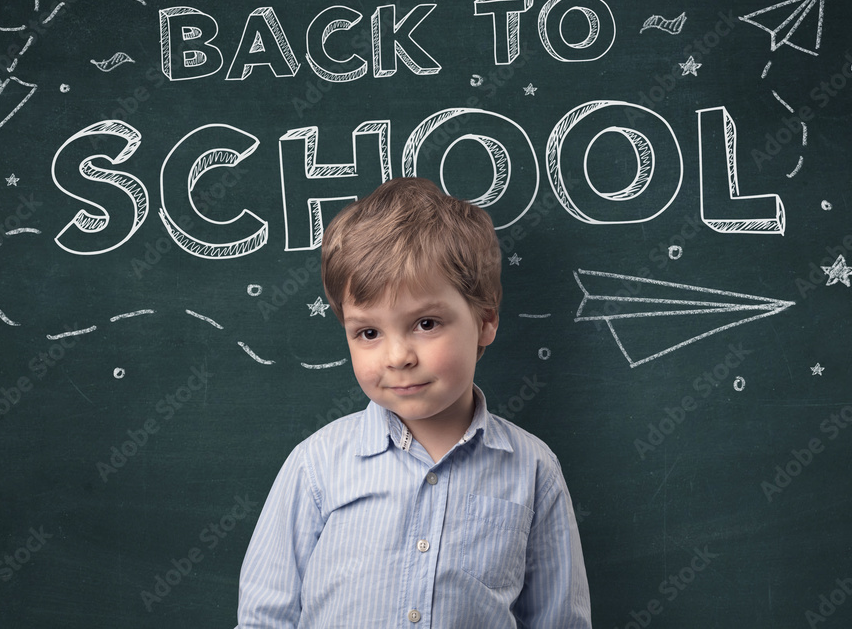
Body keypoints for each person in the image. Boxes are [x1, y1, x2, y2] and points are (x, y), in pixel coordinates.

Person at [236, 177, 591, 627]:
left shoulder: (533, 469)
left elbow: (558, 620)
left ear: (485, 321)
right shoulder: (317, 465)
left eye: (426, 323)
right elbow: (265, 618)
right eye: (368, 333)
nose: (398, 356)